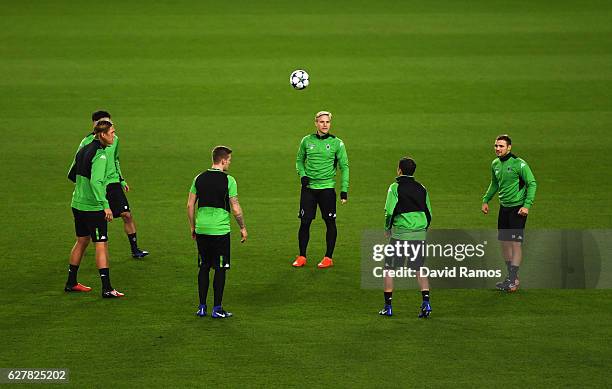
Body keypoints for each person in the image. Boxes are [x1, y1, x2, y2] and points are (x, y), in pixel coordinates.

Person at [68, 110, 148, 259]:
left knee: (127, 215)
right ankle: (90, 246)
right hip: (95, 187)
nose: (110, 126)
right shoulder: (86, 143)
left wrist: (121, 179)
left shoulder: (115, 139)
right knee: (92, 233)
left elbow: (116, 159)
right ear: (97, 125)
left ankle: (135, 249)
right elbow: (76, 167)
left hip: (112, 182)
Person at [65, 120, 124, 298]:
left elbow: (71, 173)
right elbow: (96, 181)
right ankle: (107, 288)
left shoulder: (83, 148)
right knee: (101, 244)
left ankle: (71, 282)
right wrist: (105, 205)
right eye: (112, 132)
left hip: (77, 204)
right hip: (93, 208)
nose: (114, 135)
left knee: (81, 241)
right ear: (103, 134)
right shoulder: (101, 155)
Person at [187, 146, 248, 319]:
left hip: (202, 229)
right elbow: (235, 208)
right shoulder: (229, 180)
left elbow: (190, 205)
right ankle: (217, 308)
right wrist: (242, 227)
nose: (229, 163)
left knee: (204, 267)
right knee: (220, 268)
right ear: (222, 160)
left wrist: (193, 227)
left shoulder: (198, 178)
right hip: (220, 231)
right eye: (229, 160)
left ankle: (201, 307)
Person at [292, 111, 349, 269]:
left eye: (327, 122)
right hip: (309, 189)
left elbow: (344, 167)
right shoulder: (306, 141)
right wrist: (302, 175)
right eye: (321, 122)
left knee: (330, 222)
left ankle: (328, 257)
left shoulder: (337, 143)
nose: (325, 125)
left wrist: (344, 190)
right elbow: (299, 160)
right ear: (315, 123)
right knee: (305, 222)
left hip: (327, 189)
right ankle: (302, 256)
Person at [482, 134, 537, 292]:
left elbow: (532, 183)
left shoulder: (519, 164)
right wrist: (486, 200)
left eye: (501, 146)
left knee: (515, 243)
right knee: (504, 244)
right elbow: (494, 183)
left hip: (517, 209)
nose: (498, 149)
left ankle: (512, 280)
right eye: (496, 146)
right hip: (504, 209)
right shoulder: (495, 164)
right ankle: (512, 276)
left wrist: (527, 205)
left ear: (509, 147)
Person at [380, 157, 432, 318]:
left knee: (389, 269)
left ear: (399, 170)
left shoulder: (395, 187)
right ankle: (426, 303)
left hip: (401, 235)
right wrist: (423, 229)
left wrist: (387, 228)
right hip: (419, 233)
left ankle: (388, 306)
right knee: (419, 268)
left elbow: (389, 211)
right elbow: (429, 212)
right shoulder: (422, 188)